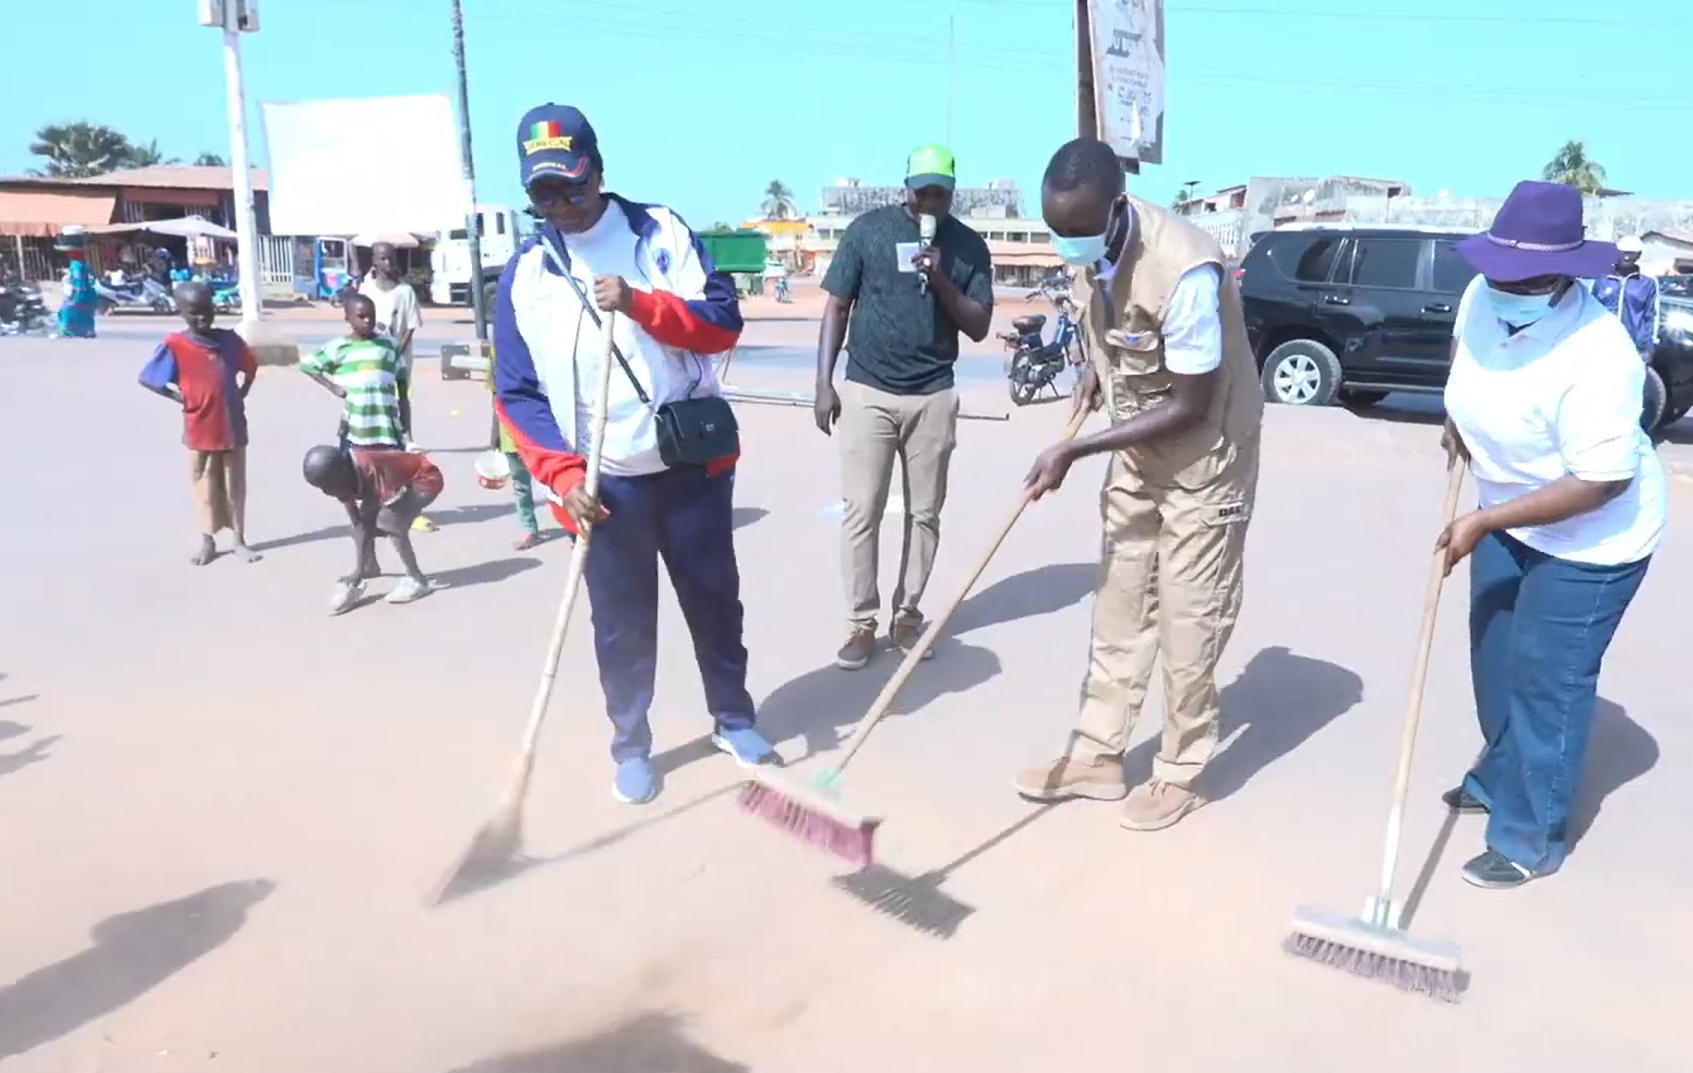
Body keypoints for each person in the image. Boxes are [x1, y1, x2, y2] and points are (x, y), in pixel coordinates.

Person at [491, 102, 773, 804]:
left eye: (572, 187)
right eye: (544, 194)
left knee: (715, 603)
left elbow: (721, 324)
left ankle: (733, 719)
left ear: (598, 171)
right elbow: (516, 393)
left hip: (689, 468)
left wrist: (644, 304)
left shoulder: (660, 232)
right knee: (621, 629)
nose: (563, 205)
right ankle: (631, 744)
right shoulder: (526, 274)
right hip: (603, 485)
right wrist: (561, 475)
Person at [1010, 138, 1263, 833]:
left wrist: (1075, 448)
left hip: (1205, 458)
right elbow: (1114, 332)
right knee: (1120, 605)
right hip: (1137, 450)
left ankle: (1180, 771)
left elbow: (1191, 405)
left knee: (1189, 618)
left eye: (1078, 229)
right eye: (1056, 228)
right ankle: (1097, 755)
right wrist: (1095, 374)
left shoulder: (1186, 270)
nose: (1067, 242)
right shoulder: (1089, 250)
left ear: (1117, 208)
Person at [1435, 180, 1668, 889]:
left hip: (1592, 540)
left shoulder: (1599, 354)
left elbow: (1600, 481)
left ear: (1563, 275)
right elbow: (1465, 359)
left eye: (1523, 278)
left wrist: (1483, 520)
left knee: (1547, 681)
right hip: (1505, 507)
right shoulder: (1481, 296)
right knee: (1495, 660)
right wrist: (1459, 419)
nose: (1504, 287)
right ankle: (1499, 774)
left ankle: (1528, 837)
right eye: (1498, 272)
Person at [813, 143, 994, 669]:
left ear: (952, 193)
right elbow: (837, 306)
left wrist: (939, 276)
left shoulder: (968, 247)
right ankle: (861, 623)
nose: (930, 201)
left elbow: (979, 324)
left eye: (940, 193)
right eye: (922, 191)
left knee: (925, 513)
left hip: (933, 393)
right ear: (906, 187)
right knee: (861, 510)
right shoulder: (867, 231)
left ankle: (908, 616)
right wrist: (823, 384)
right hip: (868, 390)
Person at [136, 282, 262, 566]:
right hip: (200, 427)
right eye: (194, 312)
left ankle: (239, 540)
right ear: (181, 312)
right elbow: (148, 377)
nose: (203, 317)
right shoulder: (175, 345)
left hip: (232, 427)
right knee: (204, 485)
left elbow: (251, 367)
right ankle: (208, 541)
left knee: (235, 485)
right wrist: (178, 397)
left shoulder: (230, 341)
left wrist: (242, 392)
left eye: (207, 310)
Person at [302, 444, 441, 614]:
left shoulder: (371, 469)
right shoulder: (341, 479)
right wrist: (358, 572)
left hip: (424, 480)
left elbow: (391, 516)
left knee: (388, 522)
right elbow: (358, 525)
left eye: (328, 486)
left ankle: (417, 580)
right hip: (395, 484)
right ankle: (370, 567)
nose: (326, 492)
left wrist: (357, 573)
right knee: (364, 520)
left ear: (342, 474)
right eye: (321, 488)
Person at [360, 241, 433, 531]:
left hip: (398, 357)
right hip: (372, 358)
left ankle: (406, 435)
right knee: (379, 400)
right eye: (383, 259)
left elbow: (409, 327)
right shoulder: (367, 290)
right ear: (374, 262)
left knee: (401, 395)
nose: (388, 264)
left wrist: (394, 353)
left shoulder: (405, 292)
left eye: (392, 258)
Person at [300, 293, 409, 451]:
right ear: (348, 318)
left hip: (387, 428)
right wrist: (333, 387)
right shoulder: (339, 347)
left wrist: (405, 411)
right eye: (361, 316)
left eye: (371, 316)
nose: (368, 321)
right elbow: (307, 365)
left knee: (392, 465)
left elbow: (402, 378)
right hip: (356, 428)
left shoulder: (388, 345)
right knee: (354, 464)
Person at [485, 354, 545, 550]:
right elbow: (495, 394)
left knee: (555, 483)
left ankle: (574, 532)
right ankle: (529, 529)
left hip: (539, 429)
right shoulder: (496, 351)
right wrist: (495, 433)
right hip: (510, 431)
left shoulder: (538, 345)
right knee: (520, 484)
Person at [1590, 235, 1658, 361]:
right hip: (1602, 344)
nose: (1626, 257)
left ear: (1638, 255)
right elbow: (1589, 312)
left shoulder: (1648, 283)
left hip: (1633, 347)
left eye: (1631, 253)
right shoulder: (1600, 279)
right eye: (1623, 253)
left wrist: (1649, 348)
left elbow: (1651, 316)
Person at [56, 251, 99, 338]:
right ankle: (88, 331)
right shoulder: (83, 264)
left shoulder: (76, 265)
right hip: (90, 294)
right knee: (86, 314)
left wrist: (78, 294)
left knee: (66, 310)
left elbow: (78, 279)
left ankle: (67, 331)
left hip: (81, 294)